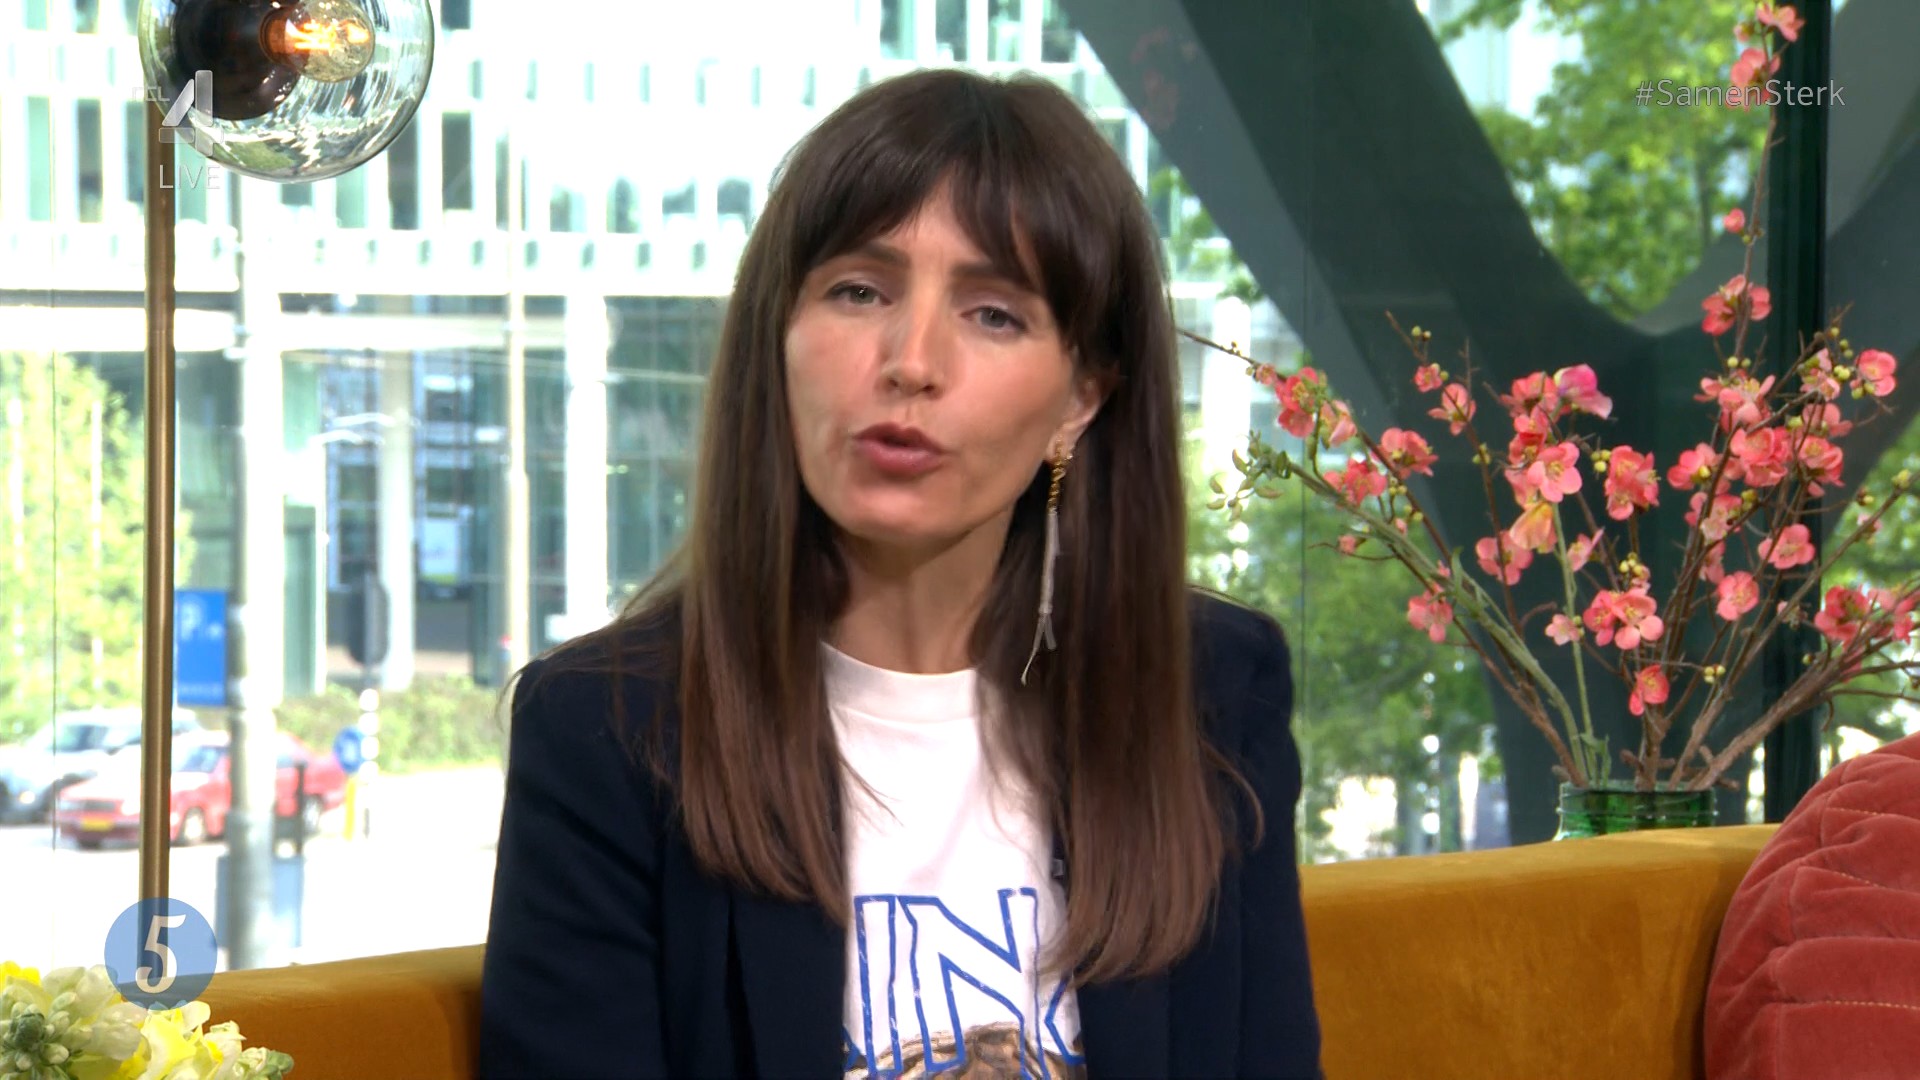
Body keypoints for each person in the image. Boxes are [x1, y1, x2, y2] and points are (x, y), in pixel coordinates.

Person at [479, 67, 1321, 1080]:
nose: (911, 360)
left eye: (994, 313)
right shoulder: (606, 734)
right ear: (778, 340)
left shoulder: (1212, 693)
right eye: (859, 291)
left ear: (1081, 399)